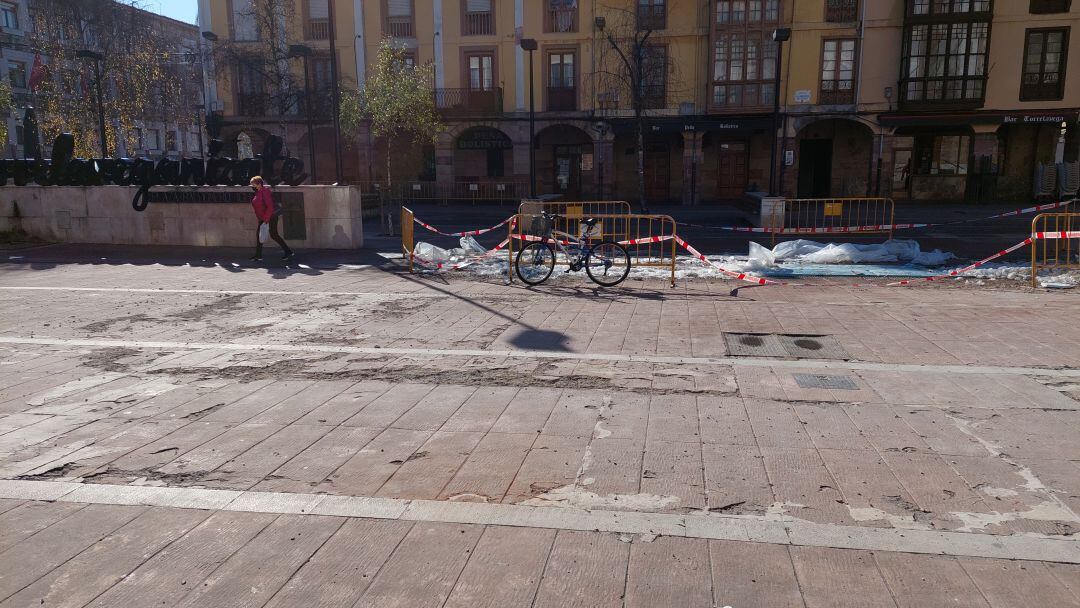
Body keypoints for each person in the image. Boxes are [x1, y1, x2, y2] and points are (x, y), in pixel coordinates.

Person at [249, 176, 293, 261]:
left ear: (259, 184)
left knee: (271, 235)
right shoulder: (258, 192)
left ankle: (287, 252)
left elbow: (270, 206)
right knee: (267, 235)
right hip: (264, 217)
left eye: (253, 184)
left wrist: (265, 219)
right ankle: (259, 255)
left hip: (269, 217)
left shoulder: (265, 191)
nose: (252, 186)